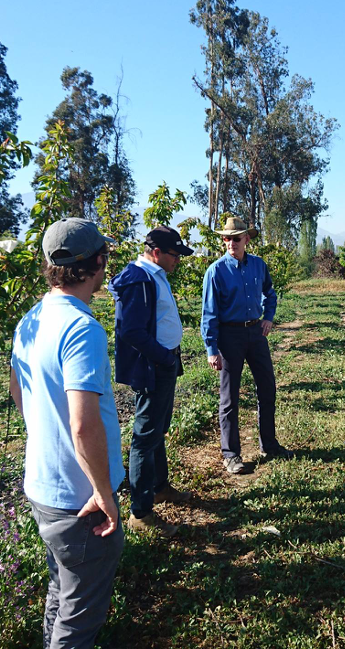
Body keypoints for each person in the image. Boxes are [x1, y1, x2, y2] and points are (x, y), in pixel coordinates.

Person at [10, 218, 124, 649]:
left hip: (43, 487)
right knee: (79, 617)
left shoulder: (31, 320)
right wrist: (103, 493)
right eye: (105, 256)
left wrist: (45, 433)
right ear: (97, 262)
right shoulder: (81, 328)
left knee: (62, 588)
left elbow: (17, 389)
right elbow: (83, 423)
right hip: (80, 503)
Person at [109, 225, 194, 538]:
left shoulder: (155, 275)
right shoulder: (138, 279)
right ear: (156, 252)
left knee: (159, 428)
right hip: (154, 366)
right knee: (145, 436)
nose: (178, 261)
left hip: (164, 361)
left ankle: (159, 487)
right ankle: (141, 512)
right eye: (174, 255)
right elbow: (131, 331)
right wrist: (163, 357)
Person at [201, 216, 293, 474]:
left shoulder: (258, 266)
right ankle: (231, 454)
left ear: (247, 240)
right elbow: (209, 313)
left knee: (267, 387)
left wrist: (269, 318)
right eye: (227, 238)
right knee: (229, 398)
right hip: (229, 338)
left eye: (236, 238)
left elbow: (270, 293)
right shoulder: (216, 271)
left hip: (255, 333)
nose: (231, 242)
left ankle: (269, 444)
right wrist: (212, 349)